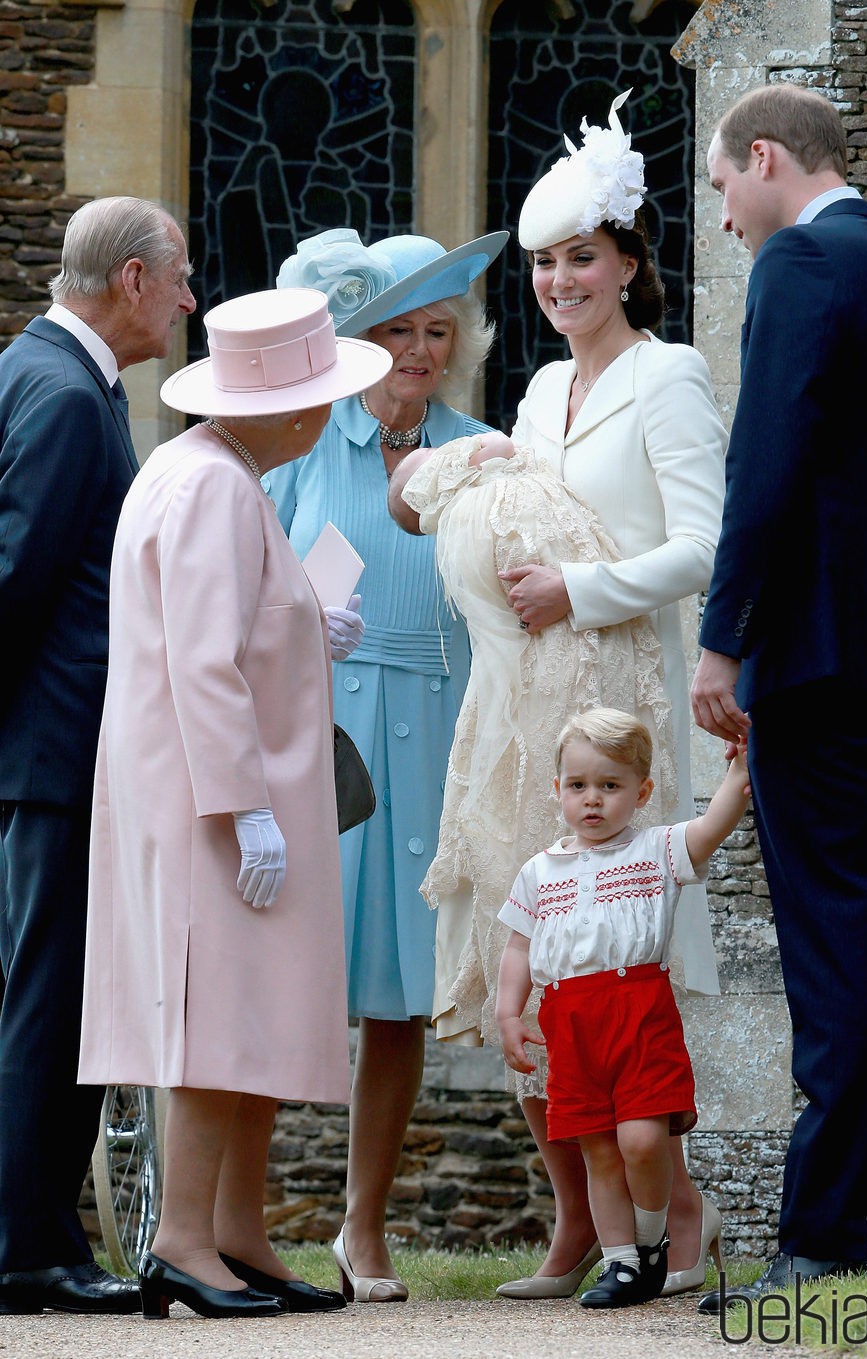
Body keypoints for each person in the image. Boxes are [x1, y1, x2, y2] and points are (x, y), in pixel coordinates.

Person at [391, 91, 727, 1298]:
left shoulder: (670, 377)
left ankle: (672, 1220)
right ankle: (574, 1227)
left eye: (579, 256)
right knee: (522, 959)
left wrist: (577, 589)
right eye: (541, 263)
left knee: (606, 969)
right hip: (514, 698)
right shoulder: (535, 395)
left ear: (629, 261)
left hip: (610, 697)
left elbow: (703, 545)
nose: (557, 281)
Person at [690, 84, 867, 1307]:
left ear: (763, 158)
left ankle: (819, 1245)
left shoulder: (800, 263)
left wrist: (720, 636)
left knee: (834, 947)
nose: (724, 212)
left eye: (722, 186)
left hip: (813, 648)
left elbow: (766, 458)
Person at [76, 287, 392, 1319]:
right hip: (216, 797)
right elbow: (203, 665)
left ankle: (237, 1230)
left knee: (250, 1011)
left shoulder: (210, 473)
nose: (325, 416)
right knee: (215, 1013)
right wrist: (242, 805)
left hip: (229, 788)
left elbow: (233, 624)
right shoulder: (211, 485)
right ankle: (180, 1240)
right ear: (284, 407)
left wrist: (308, 623)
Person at [266, 226, 506, 1302]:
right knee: (279, 981)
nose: (417, 349)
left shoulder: (482, 450)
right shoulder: (305, 445)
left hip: (447, 737)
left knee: (401, 1003)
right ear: (361, 337)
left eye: (436, 330)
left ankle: (361, 1233)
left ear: (459, 342)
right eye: (397, 328)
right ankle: (235, 1218)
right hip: (324, 739)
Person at [0, 197, 195, 1316]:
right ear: (130, 280)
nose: (185, 302)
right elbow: (19, 578)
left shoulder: (34, 370)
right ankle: (30, 1246)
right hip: (55, 754)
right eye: (176, 281)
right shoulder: (71, 396)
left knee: (34, 996)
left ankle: (26, 1231)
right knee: (51, 1004)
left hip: (40, 753)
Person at [496, 709, 749, 1309]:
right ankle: (620, 1266)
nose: (593, 800)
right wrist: (510, 1013)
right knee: (598, 1151)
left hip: (638, 1014)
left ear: (642, 792)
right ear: (557, 790)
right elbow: (518, 946)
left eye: (610, 786)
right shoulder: (540, 872)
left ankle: (650, 1240)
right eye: (579, 786)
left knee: (641, 1140)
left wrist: (740, 773)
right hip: (570, 1023)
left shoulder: (656, 850)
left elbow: (714, 824)